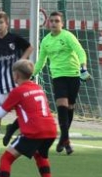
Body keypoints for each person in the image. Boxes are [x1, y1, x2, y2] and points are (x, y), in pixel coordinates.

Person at [0, 59, 57, 177]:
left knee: (6, 158)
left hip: (34, 132)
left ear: (17, 75)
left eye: (13, 73)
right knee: (40, 154)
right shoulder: (38, 88)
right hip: (51, 130)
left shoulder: (18, 91)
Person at [32, 10, 90, 155]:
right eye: (51, 21)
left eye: (57, 21)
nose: (54, 23)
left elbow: (80, 51)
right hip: (58, 76)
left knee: (70, 107)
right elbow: (41, 61)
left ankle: (63, 139)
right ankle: (67, 141)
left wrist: (83, 66)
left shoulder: (68, 36)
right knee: (62, 106)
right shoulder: (46, 41)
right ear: (48, 23)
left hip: (74, 75)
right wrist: (31, 74)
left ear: (62, 24)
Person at [0, 11, 33, 160]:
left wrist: (21, 61)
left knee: (25, 110)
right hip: (0, 82)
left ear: (7, 24)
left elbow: (29, 48)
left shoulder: (14, 38)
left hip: (16, 81)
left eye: (1, 22)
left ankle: (11, 129)